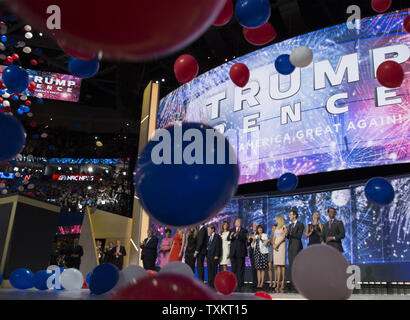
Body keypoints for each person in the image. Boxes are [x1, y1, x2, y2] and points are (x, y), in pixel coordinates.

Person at [229, 218, 248, 290]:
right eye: (238, 221)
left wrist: (237, 235)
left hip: (241, 252)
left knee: (240, 268)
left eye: (240, 221)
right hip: (233, 252)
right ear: (235, 223)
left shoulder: (244, 230)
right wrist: (231, 236)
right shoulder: (231, 230)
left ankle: (240, 283)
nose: (239, 222)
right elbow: (229, 238)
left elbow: (244, 238)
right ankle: (233, 282)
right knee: (233, 268)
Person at [286, 209, 304, 285]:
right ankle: (292, 282)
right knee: (291, 264)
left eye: (290, 215)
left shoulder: (300, 224)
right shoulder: (290, 225)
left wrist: (290, 233)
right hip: (290, 246)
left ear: (294, 215)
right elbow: (289, 237)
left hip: (297, 246)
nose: (289, 216)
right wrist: (287, 234)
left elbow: (299, 236)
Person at [273, 215, 287, 293]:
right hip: (276, 247)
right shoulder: (277, 227)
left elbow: (284, 237)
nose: (276, 220)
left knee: (282, 265)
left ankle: (283, 282)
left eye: (277, 219)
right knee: (277, 265)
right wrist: (274, 244)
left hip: (281, 245)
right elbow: (274, 236)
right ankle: (277, 282)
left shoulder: (284, 226)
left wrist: (277, 244)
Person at [247, 222, 259, 289]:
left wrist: (255, 238)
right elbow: (248, 244)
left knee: (258, 269)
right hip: (252, 253)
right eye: (253, 225)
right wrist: (248, 239)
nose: (254, 226)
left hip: (258, 253)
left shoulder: (259, 234)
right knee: (253, 269)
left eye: (255, 225)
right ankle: (254, 283)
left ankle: (259, 283)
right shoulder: (251, 234)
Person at [267, 224, 277, 288]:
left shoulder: (277, 236)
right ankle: (270, 281)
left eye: (274, 228)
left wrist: (270, 241)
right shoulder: (271, 235)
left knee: (275, 268)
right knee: (269, 268)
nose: (273, 229)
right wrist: (268, 241)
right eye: (272, 228)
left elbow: (275, 244)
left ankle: (275, 282)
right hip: (270, 252)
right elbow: (268, 245)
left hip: (276, 252)